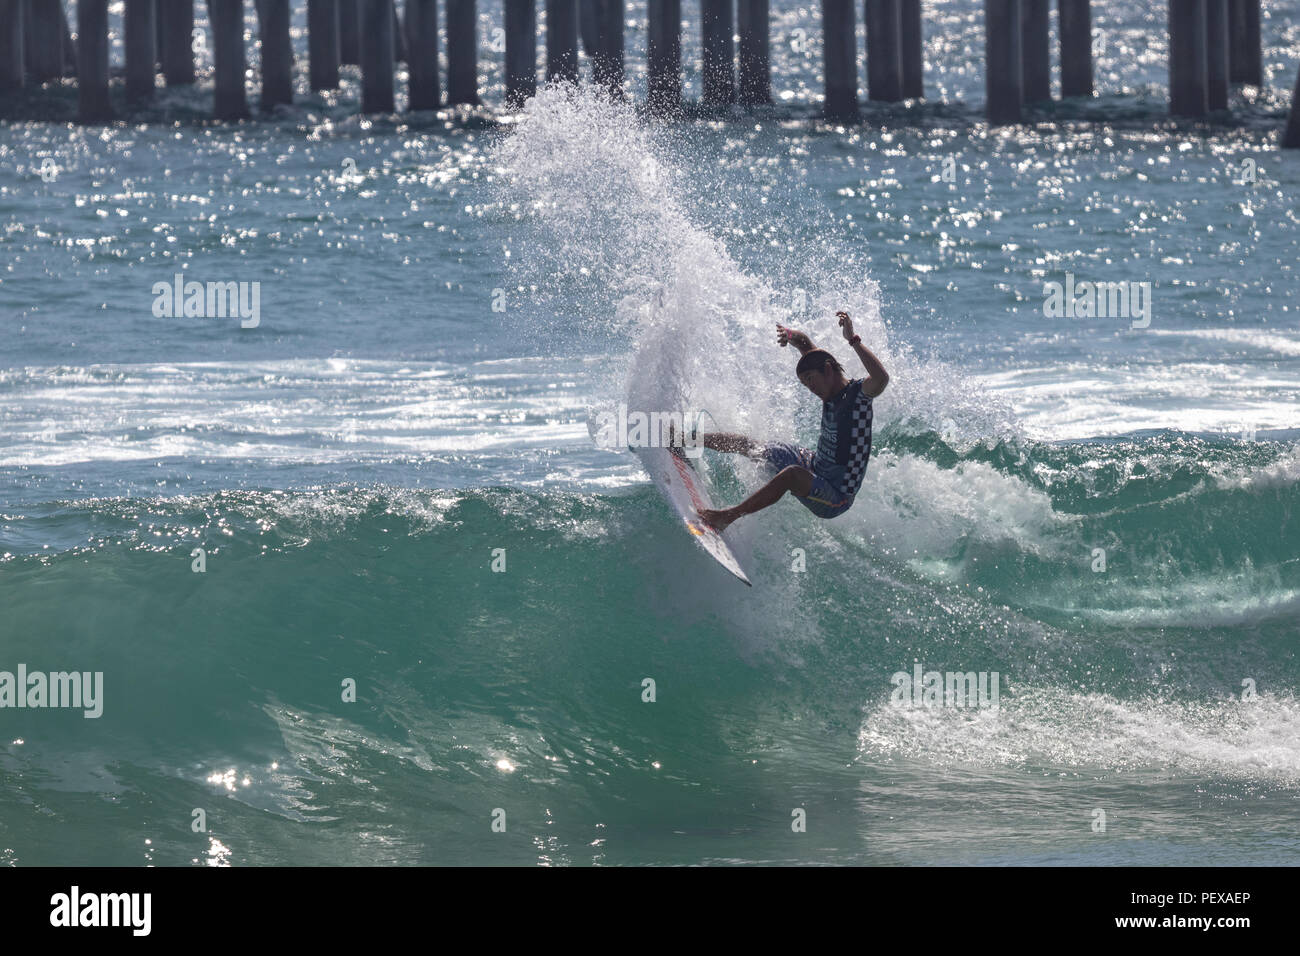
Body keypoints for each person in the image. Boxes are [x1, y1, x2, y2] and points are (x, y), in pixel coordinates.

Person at [693, 311, 889, 532]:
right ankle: (687, 439)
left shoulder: (858, 396)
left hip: (837, 495)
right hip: (815, 465)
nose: (811, 389)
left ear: (827, 370)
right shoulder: (825, 385)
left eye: (811, 380)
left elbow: (882, 379)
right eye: (805, 385)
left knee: (791, 475)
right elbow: (805, 344)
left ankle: (727, 517)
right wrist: (789, 335)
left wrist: (853, 340)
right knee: (754, 446)